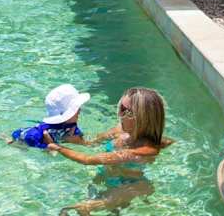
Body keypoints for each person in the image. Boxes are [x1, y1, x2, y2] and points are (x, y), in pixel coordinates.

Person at [49, 87, 172, 215]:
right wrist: (67, 139)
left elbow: (87, 160)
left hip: (129, 184)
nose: (119, 114)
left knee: (84, 207)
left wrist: (59, 148)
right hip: (106, 174)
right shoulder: (119, 130)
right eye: (120, 108)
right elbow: (91, 142)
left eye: (125, 111)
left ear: (142, 118)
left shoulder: (145, 150)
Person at [10, 84, 90, 149]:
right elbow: (51, 155)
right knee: (20, 146)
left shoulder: (72, 126)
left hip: (37, 134)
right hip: (30, 137)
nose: (79, 110)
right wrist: (51, 145)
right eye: (76, 108)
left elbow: (86, 144)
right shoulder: (42, 135)